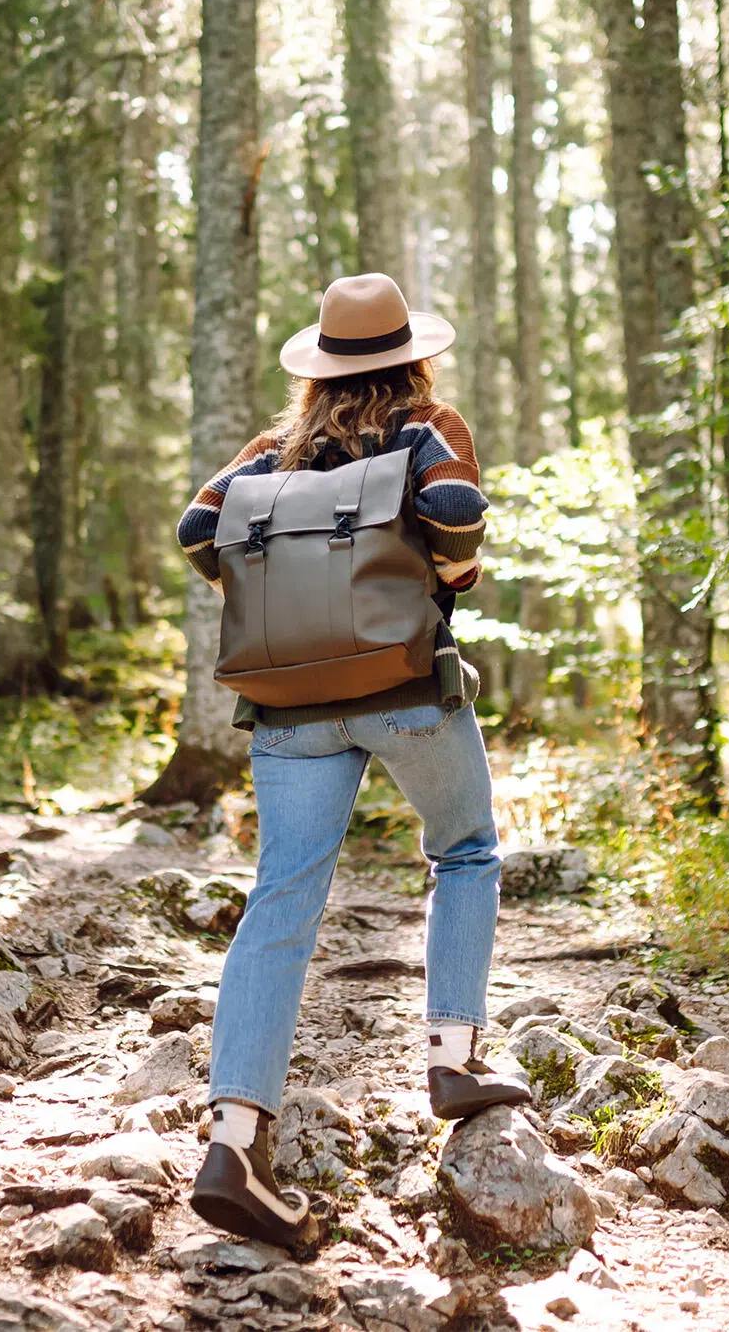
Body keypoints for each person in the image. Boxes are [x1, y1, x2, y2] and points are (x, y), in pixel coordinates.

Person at [174, 273, 531, 1250]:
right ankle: (453, 1059)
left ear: (321, 367)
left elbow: (198, 532)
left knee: (280, 899)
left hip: (290, 707)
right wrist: (448, 571)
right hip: (406, 691)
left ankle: (235, 1142)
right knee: (464, 851)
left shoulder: (270, 451)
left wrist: (279, 583)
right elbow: (456, 511)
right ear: (411, 355)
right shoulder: (428, 426)